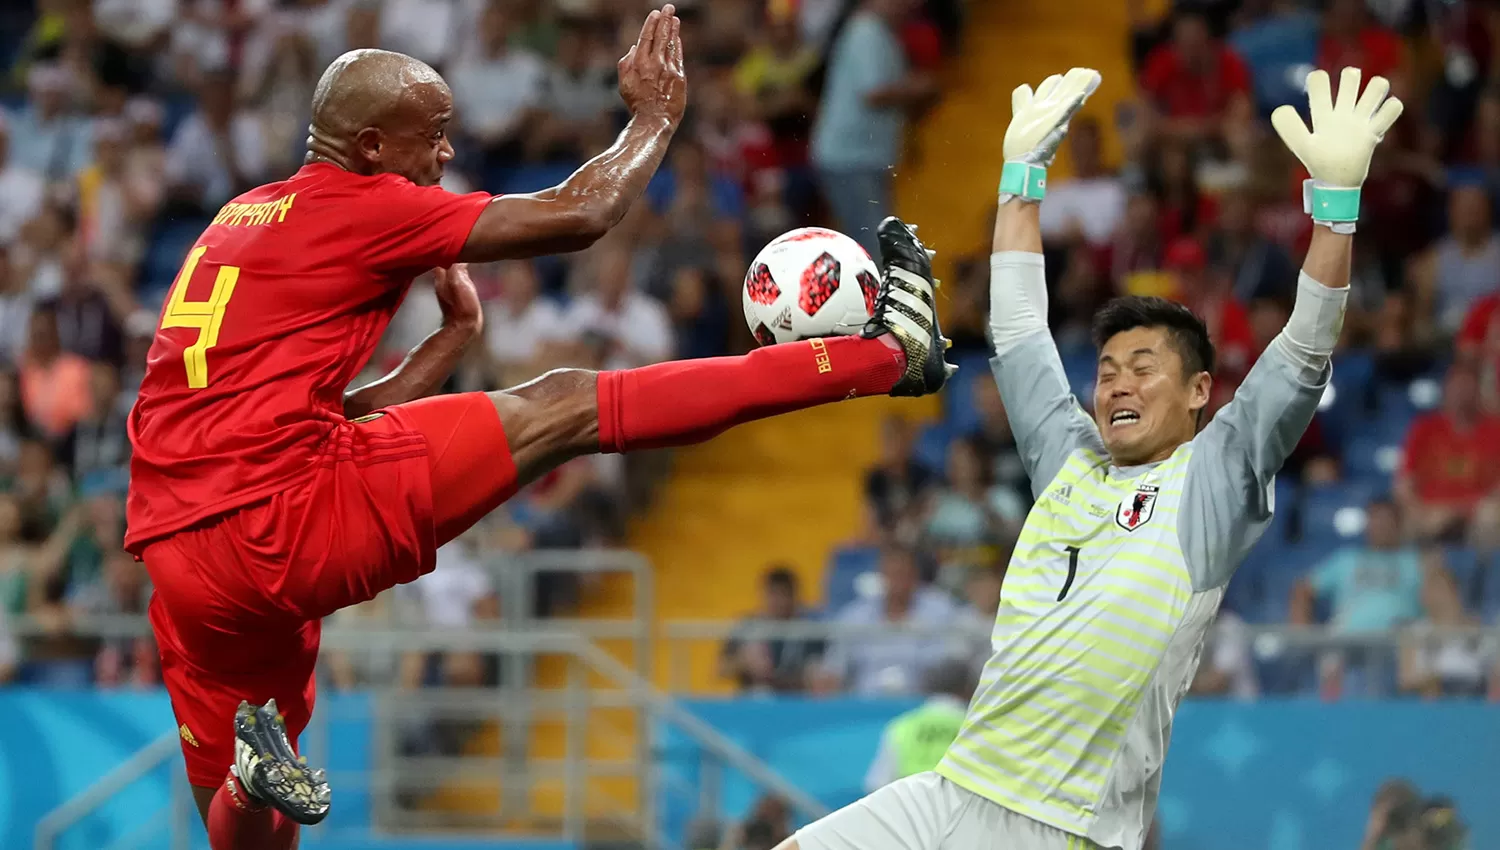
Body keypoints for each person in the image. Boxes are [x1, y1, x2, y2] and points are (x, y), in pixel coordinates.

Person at [127, 7, 952, 850]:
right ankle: (888, 354)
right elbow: (582, 213)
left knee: (252, 839)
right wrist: (656, 116)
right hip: (283, 522)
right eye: (435, 135)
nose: (448, 154)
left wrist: (449, 342)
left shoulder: (234, 222)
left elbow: (332, 413)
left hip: (182, 562)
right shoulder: (363, 202)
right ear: (371, 147)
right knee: (568, 406)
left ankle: (244, 776)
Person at [779, 66, 1401, 850]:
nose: (1117, 385)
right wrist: (1020, 181)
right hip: (954, 787)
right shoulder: (1067, 460)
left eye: (1144, 368)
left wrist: (1335, 214)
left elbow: (1303, 356)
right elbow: (1016, 334)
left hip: (1062, 826)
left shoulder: (1214, 482)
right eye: (1106, 371)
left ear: (1202, 390)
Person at [863, 659, 975, 792]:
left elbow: (877, 784)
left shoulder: (902, 726)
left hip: (911, 805)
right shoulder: (976, 727)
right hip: (959, 806)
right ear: (969, 688)